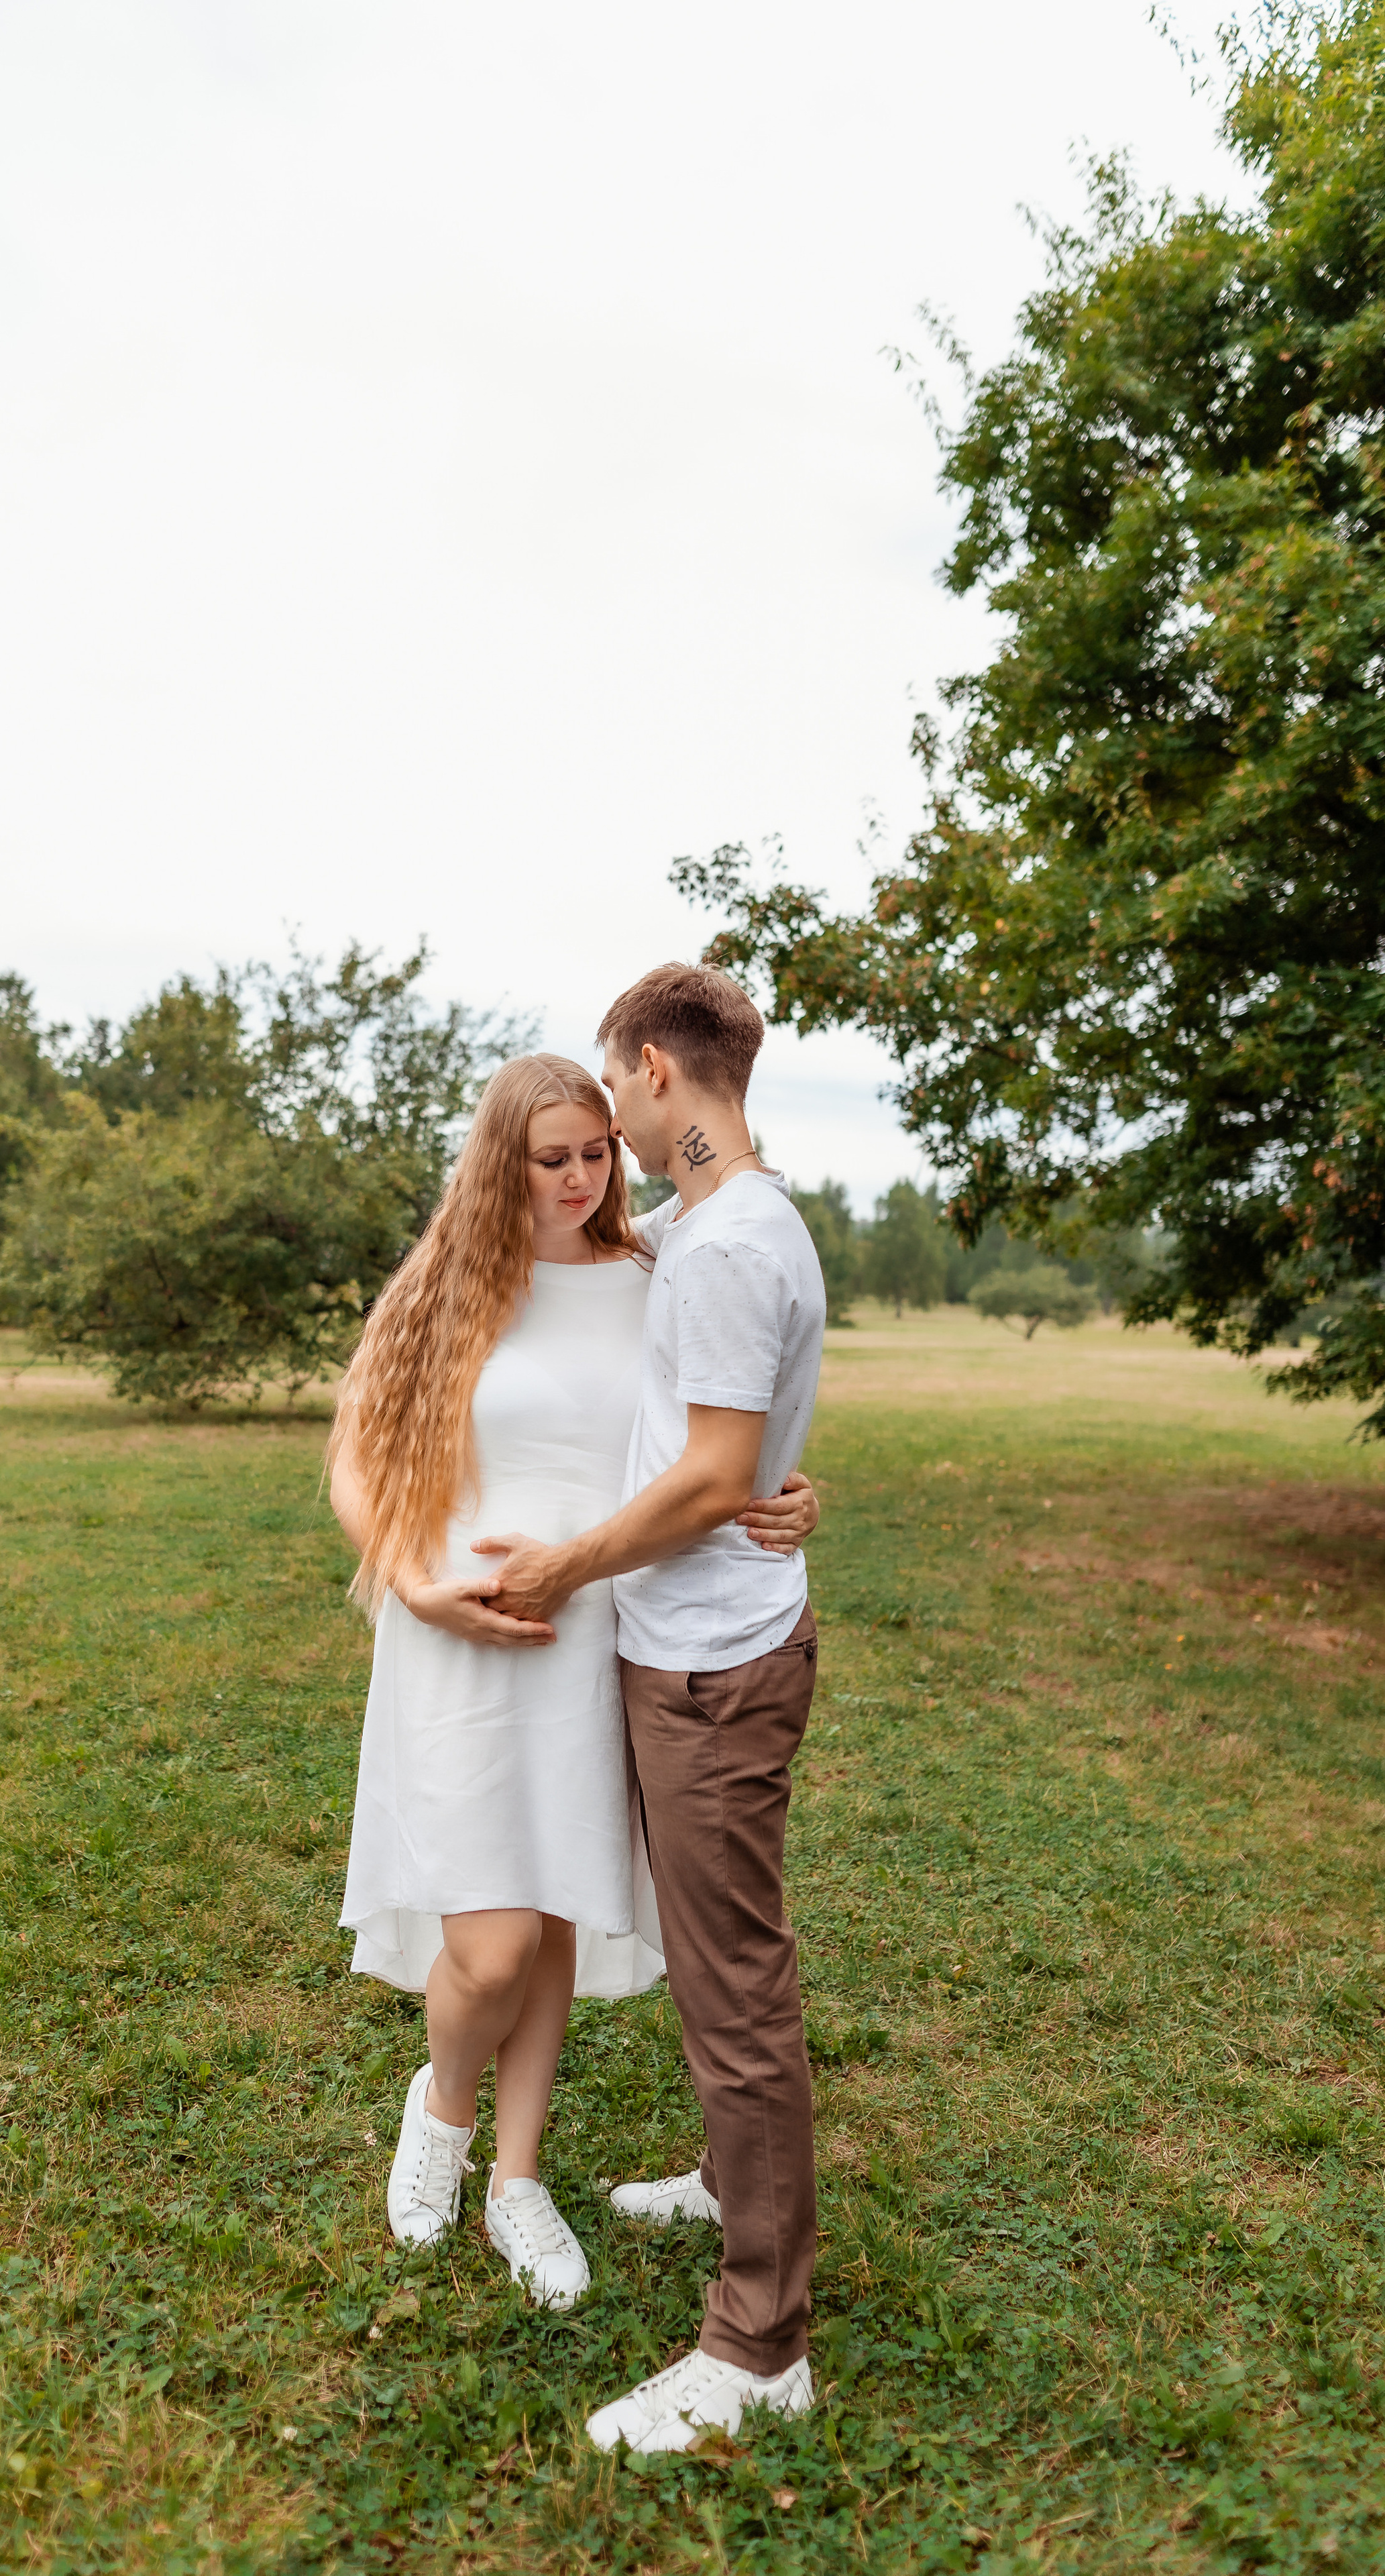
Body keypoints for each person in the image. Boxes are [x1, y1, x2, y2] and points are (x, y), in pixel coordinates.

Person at [327, 1053, 818, 2310]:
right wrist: (406, 1579)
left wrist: (780, 1492)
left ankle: (518, 2180)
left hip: (593, 1630)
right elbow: (356, 1458)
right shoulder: (446, 1283)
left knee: (550, 1911)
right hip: (456, 1635)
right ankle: (439, 2116)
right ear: (503, 1162)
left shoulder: (656, 1271)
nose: (583, 1178)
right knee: (487, 1948)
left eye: (597, 1152)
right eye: (553, 1160)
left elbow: (712, 1430)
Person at [475, 966, 826, 2453]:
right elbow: (723, 1446)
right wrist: (769, 1485)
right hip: (687, 1642)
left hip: (707, 1668)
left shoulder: (730, 1243)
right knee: (709, 1954)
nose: (608, 1123)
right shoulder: (710, 1227)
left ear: (650, 1071)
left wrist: (565, 1559)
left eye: (616, 1094)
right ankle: (720, 2176)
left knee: (734, 1985)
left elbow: (702, 1474)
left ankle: (756, 2346)